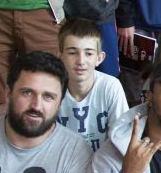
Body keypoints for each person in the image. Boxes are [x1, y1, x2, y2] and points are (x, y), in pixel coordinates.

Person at [56, 17, 130, 153]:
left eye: (89, 53)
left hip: (102, 166)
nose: (81, 61)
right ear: (60, 56)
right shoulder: (52, 88)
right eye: (72, 53)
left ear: (99, 58)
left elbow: (122, 138)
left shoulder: (110, 86)